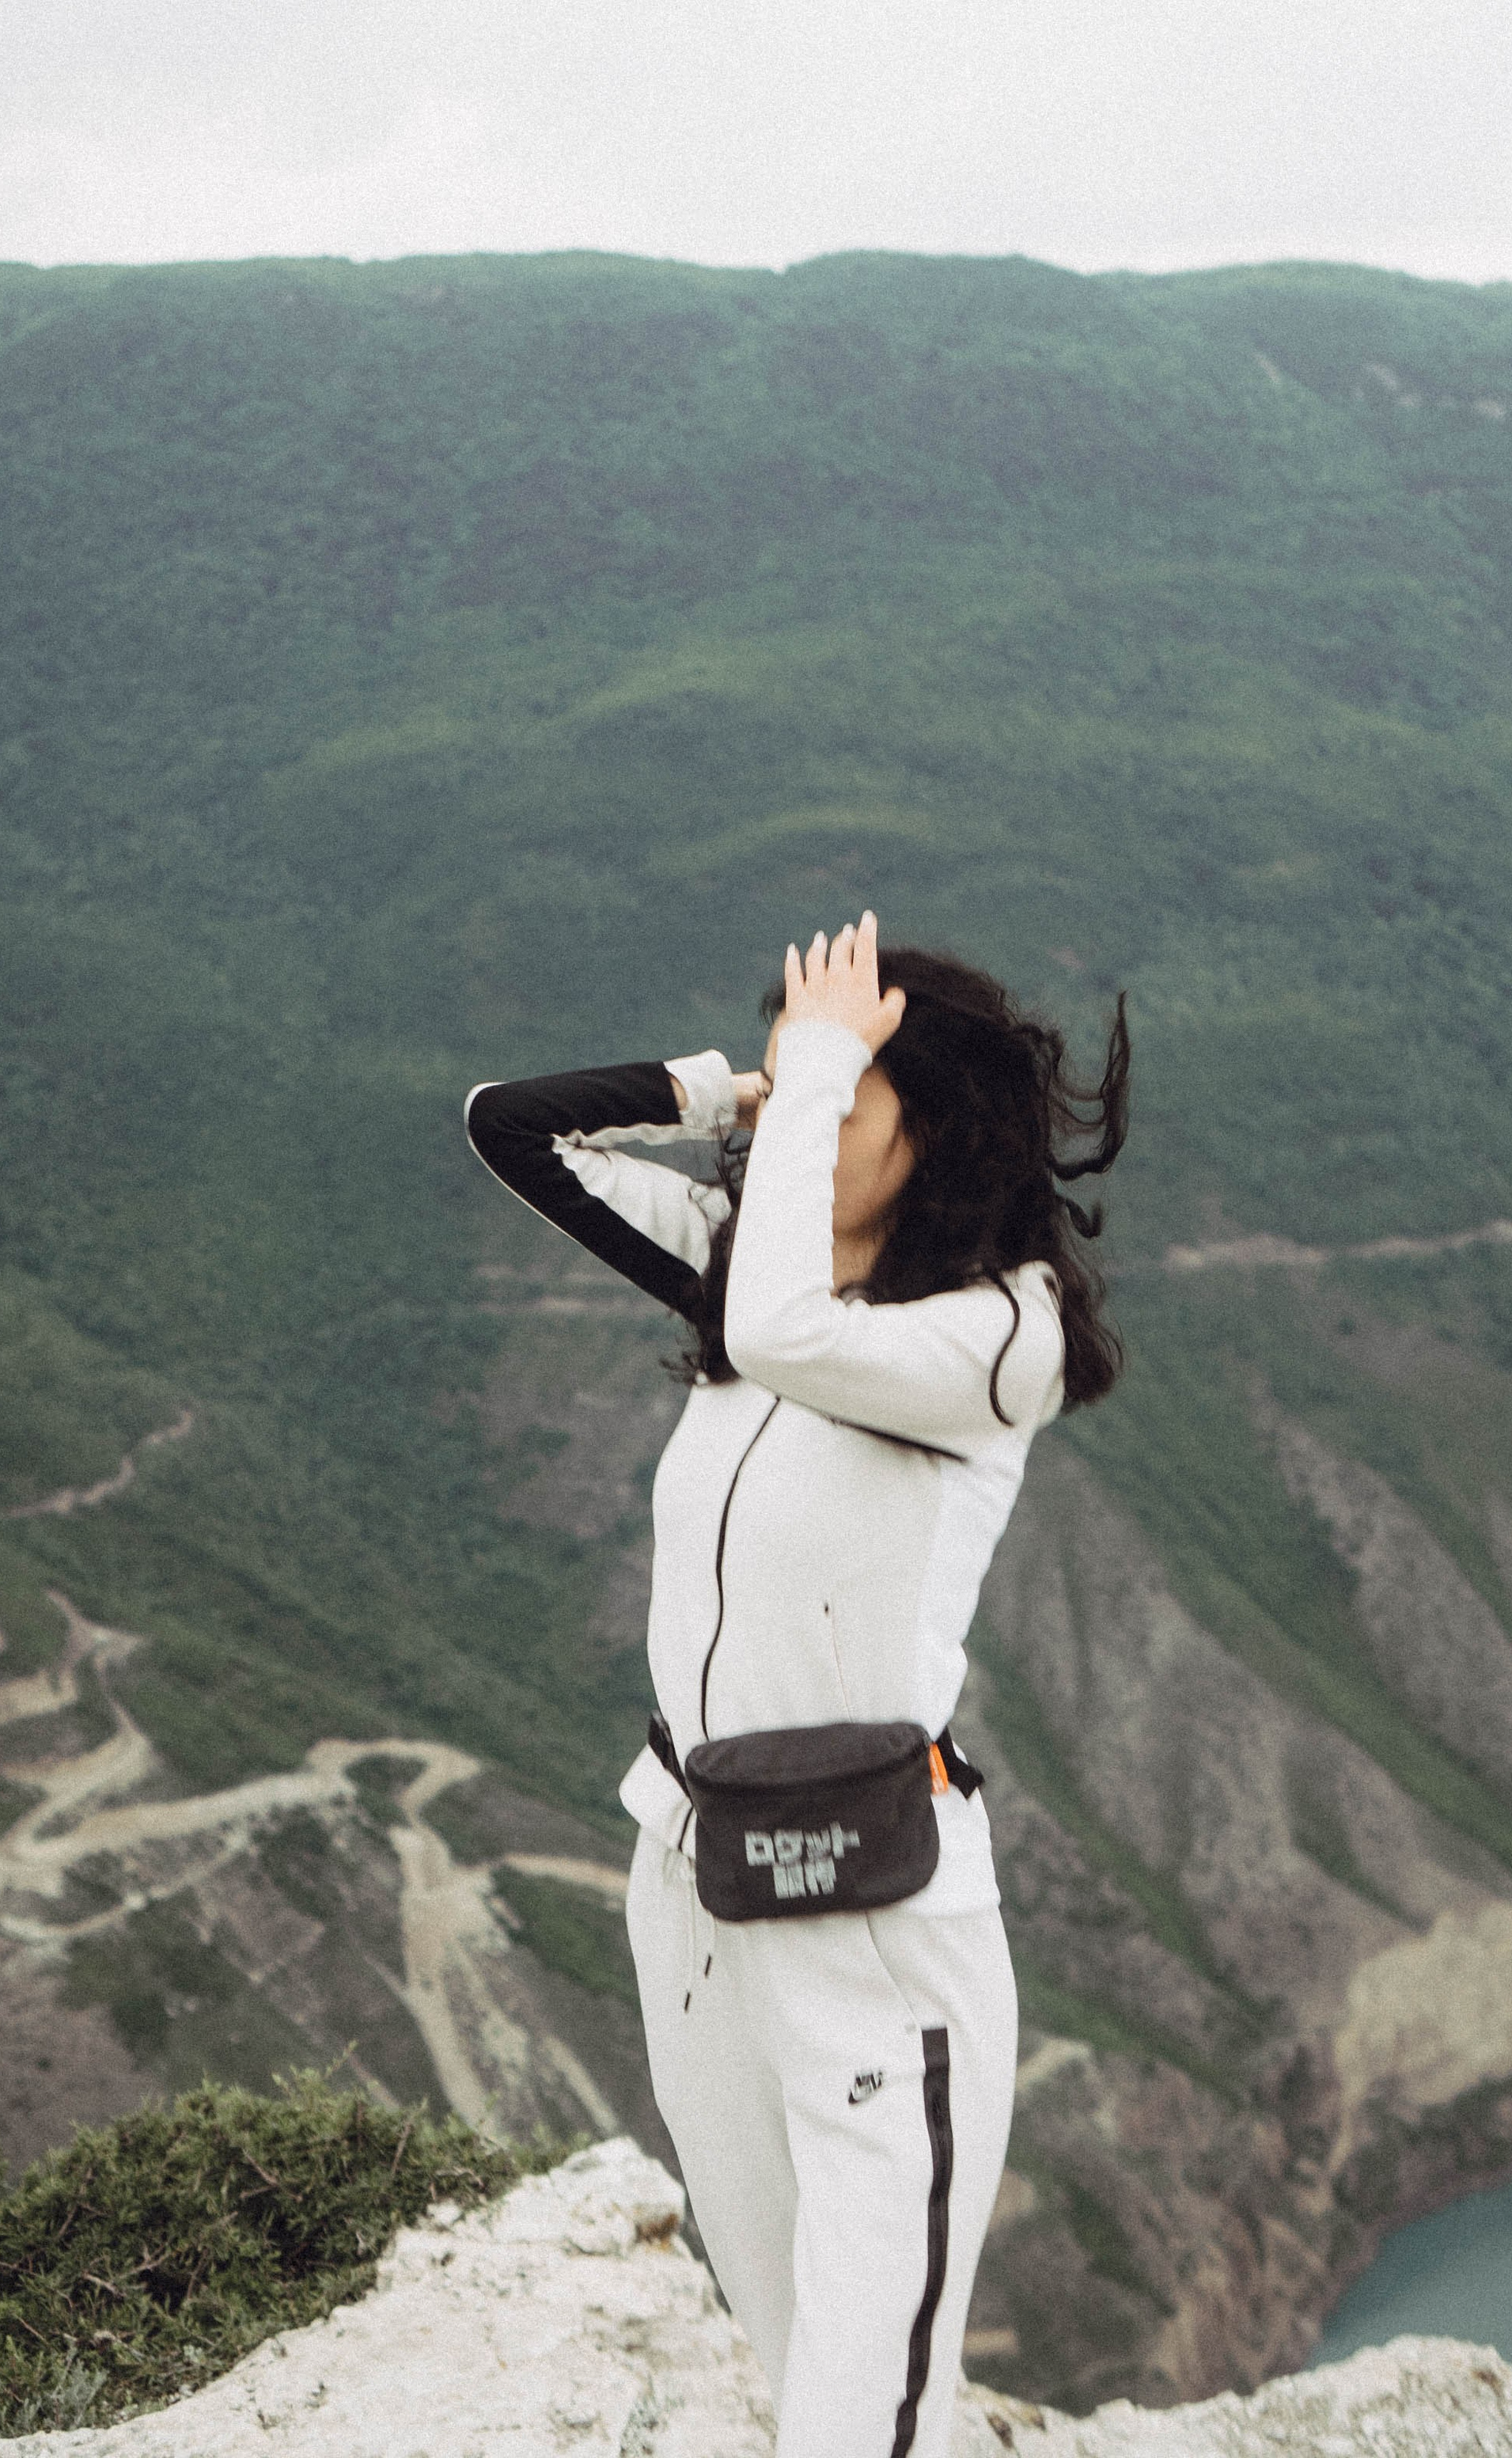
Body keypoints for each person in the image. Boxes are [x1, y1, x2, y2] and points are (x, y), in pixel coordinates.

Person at [464, 914, 1128, 2458]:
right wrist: (740, 1088)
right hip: (691, 1884)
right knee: (785, 2364)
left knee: (863, 2418)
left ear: (937, 1129)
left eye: (838, 1100)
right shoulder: (750, 1271)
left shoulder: (995, 1336)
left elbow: (781, 1332)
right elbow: (512, 1128)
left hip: (869, 1918)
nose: (802, 1126)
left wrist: (823, 1053)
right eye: (792, 1097)